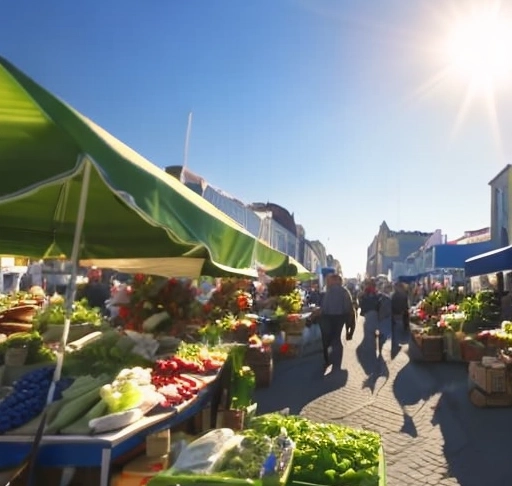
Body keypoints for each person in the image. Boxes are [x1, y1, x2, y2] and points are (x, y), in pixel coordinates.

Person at [319, 274, 354, 369]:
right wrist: (349, 322)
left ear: (335, 280)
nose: (327, 282)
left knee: (327, 339)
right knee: (336, 338)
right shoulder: (344, 291)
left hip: (328, 318)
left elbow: (324, 307)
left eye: (329, 280)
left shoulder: (330, 291)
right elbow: (348, 308)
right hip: (339, 317)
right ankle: (336, 362)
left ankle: (328, 360)